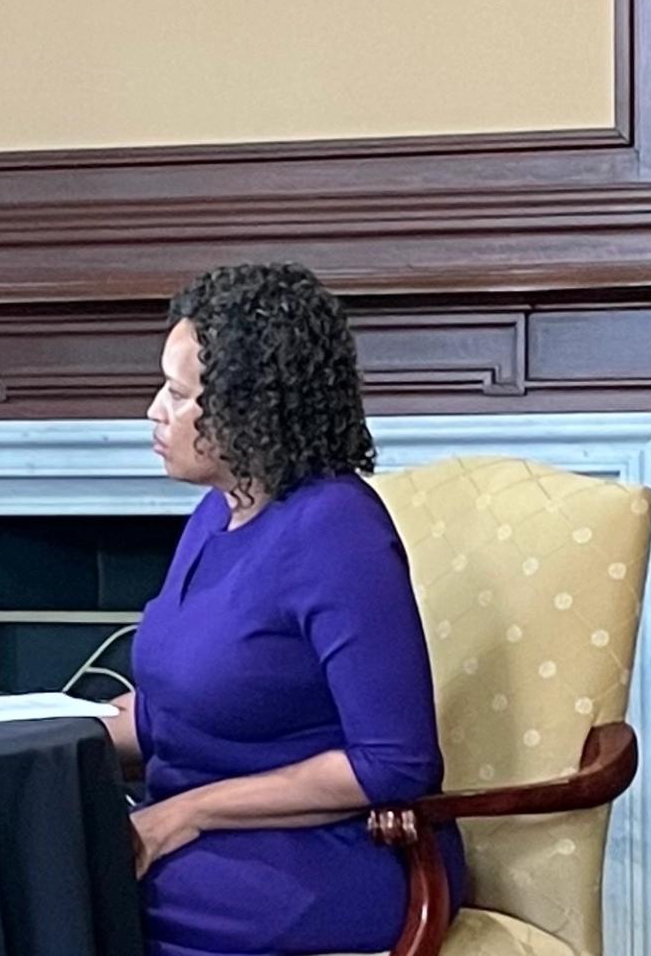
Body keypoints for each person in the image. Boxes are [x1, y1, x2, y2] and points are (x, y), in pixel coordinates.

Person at [104, 262, 464, 955]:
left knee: (68, 892)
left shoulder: (339, 531)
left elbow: (394, 764)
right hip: (203, 836)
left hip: (329, 854)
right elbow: (182, 709)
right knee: (28, 868)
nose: (154, 410)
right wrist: (21, 732)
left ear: (250, 406)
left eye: (179, 394)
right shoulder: (217, 515)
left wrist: (187, 814)